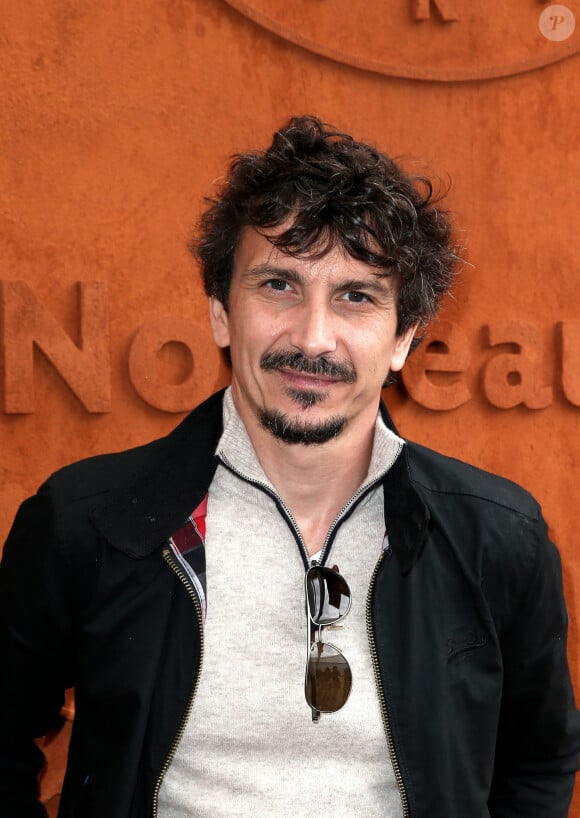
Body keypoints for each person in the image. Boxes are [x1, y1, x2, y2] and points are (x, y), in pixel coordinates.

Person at [1, 115, 579, 818]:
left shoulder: (499, 538)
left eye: (356, 296)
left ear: (404, 339)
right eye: (278, 285)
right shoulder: (84, 523)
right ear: (220, 313)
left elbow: (539, 760)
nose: (312, 337)